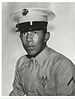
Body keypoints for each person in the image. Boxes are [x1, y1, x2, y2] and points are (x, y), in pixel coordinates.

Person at [9, 8, 75, 96]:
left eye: (35, 33)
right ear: (20, 37)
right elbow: (16, 94)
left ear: (46, 37)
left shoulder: (62, 66)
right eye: (24, 33)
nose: (29, 39)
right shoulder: (21, 63)